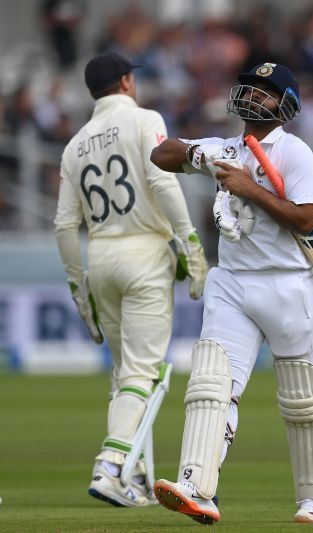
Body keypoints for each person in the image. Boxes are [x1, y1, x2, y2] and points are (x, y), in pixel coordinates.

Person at [149, 61, 313, 524]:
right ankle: (197, 485)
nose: (254, 95)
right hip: (232, 281)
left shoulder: (295, 154)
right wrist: (202, 158)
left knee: (302, 399)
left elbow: (306, 220)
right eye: (250, 86)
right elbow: (162, 155)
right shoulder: (224, 146)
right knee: (212, 384)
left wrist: (250, 188)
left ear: (287, 104)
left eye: (266, 91)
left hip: (288, 283)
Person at [54, 52, 208, 507]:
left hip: (100, 257)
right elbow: (162, 184)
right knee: (143, 372)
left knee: (125, 376)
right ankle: (111, 464)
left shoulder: (73, 144)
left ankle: (135, 475)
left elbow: (64, 225)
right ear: (125, 81)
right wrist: (192, 244)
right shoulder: (145, 119)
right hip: (144, 253)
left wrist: (79, 288)